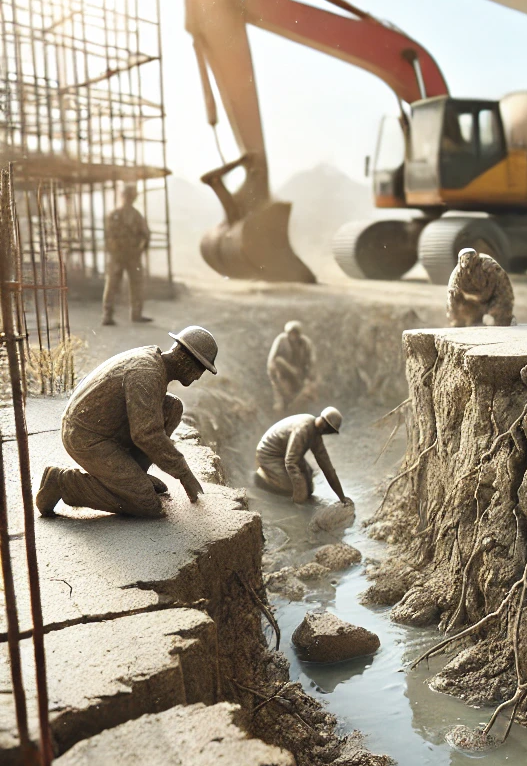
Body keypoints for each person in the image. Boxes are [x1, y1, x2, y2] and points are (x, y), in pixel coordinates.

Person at [35, 327, 219, 518]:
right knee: (147, 504)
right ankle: (62, 483)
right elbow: (146, 434)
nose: (199, 376)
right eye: (201, 369)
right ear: (186, 361)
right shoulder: (147, 373)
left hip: (104, 429)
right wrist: (184, 473)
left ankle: (133, 478)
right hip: (86, 436)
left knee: (172, 408)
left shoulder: (154, 363)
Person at [254, 407, 351, 505]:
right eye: (329, 428)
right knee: (292, 488)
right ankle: (264, 477)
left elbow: (327, 467)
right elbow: (291, 462)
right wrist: (300, 498)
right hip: (268, 455)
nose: (327, 432)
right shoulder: (304, 429)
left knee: (308, 480)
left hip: (284, 453)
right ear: (324, 422)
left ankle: (292, 489)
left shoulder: (315, 434)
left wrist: (342, 497)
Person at [102, 182, 151, 326]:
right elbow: (109, 236)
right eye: (129, 195)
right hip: (120, 256)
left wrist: (138, 249)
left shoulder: (133, 215)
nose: (130, 198)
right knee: (114, 285)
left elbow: (145, 235)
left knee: (132, 284)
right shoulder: (119, 215)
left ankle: (133, 314)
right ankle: (109, 315)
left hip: (128, 256)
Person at [447, 248, 515, 327]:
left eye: (470, 258)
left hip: (493, 295)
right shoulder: (456, 276)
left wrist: (501, 309)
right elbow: (452, 298)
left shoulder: (489, 266)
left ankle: (505, 319)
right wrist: (456, 320)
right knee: (467, 320)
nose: (468, 262)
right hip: (473, 302)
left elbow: (504, 288)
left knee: (500, 319)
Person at [267, 320, 317, 411]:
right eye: (291, 333)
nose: (294, 336)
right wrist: (273, 372)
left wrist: (308, 375)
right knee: (279, 362)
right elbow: (273, 358)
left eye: (296, 334)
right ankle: (282, 402)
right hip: (283, 371)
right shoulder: (281, 340)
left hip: (300, 372)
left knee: (301, 392)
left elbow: (311, 360)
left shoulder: (305, 343)